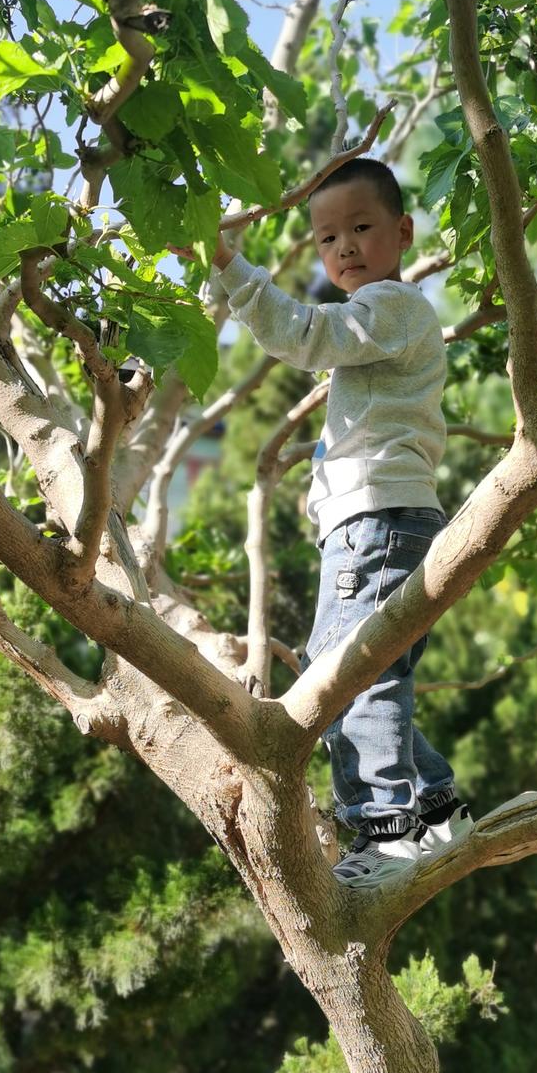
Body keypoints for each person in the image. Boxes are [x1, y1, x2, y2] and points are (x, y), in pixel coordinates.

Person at [206, 157, 473, 889]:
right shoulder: (383, 321)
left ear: (403, 232)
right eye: (328, 239)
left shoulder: (392, 306)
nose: (345, 248)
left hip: (380, 521)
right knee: (355, 669)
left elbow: (300, 334)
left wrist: (228, 263)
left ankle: (387, 830)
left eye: (361, 228)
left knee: (356, 674)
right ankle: (438, 809)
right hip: (375, 521)